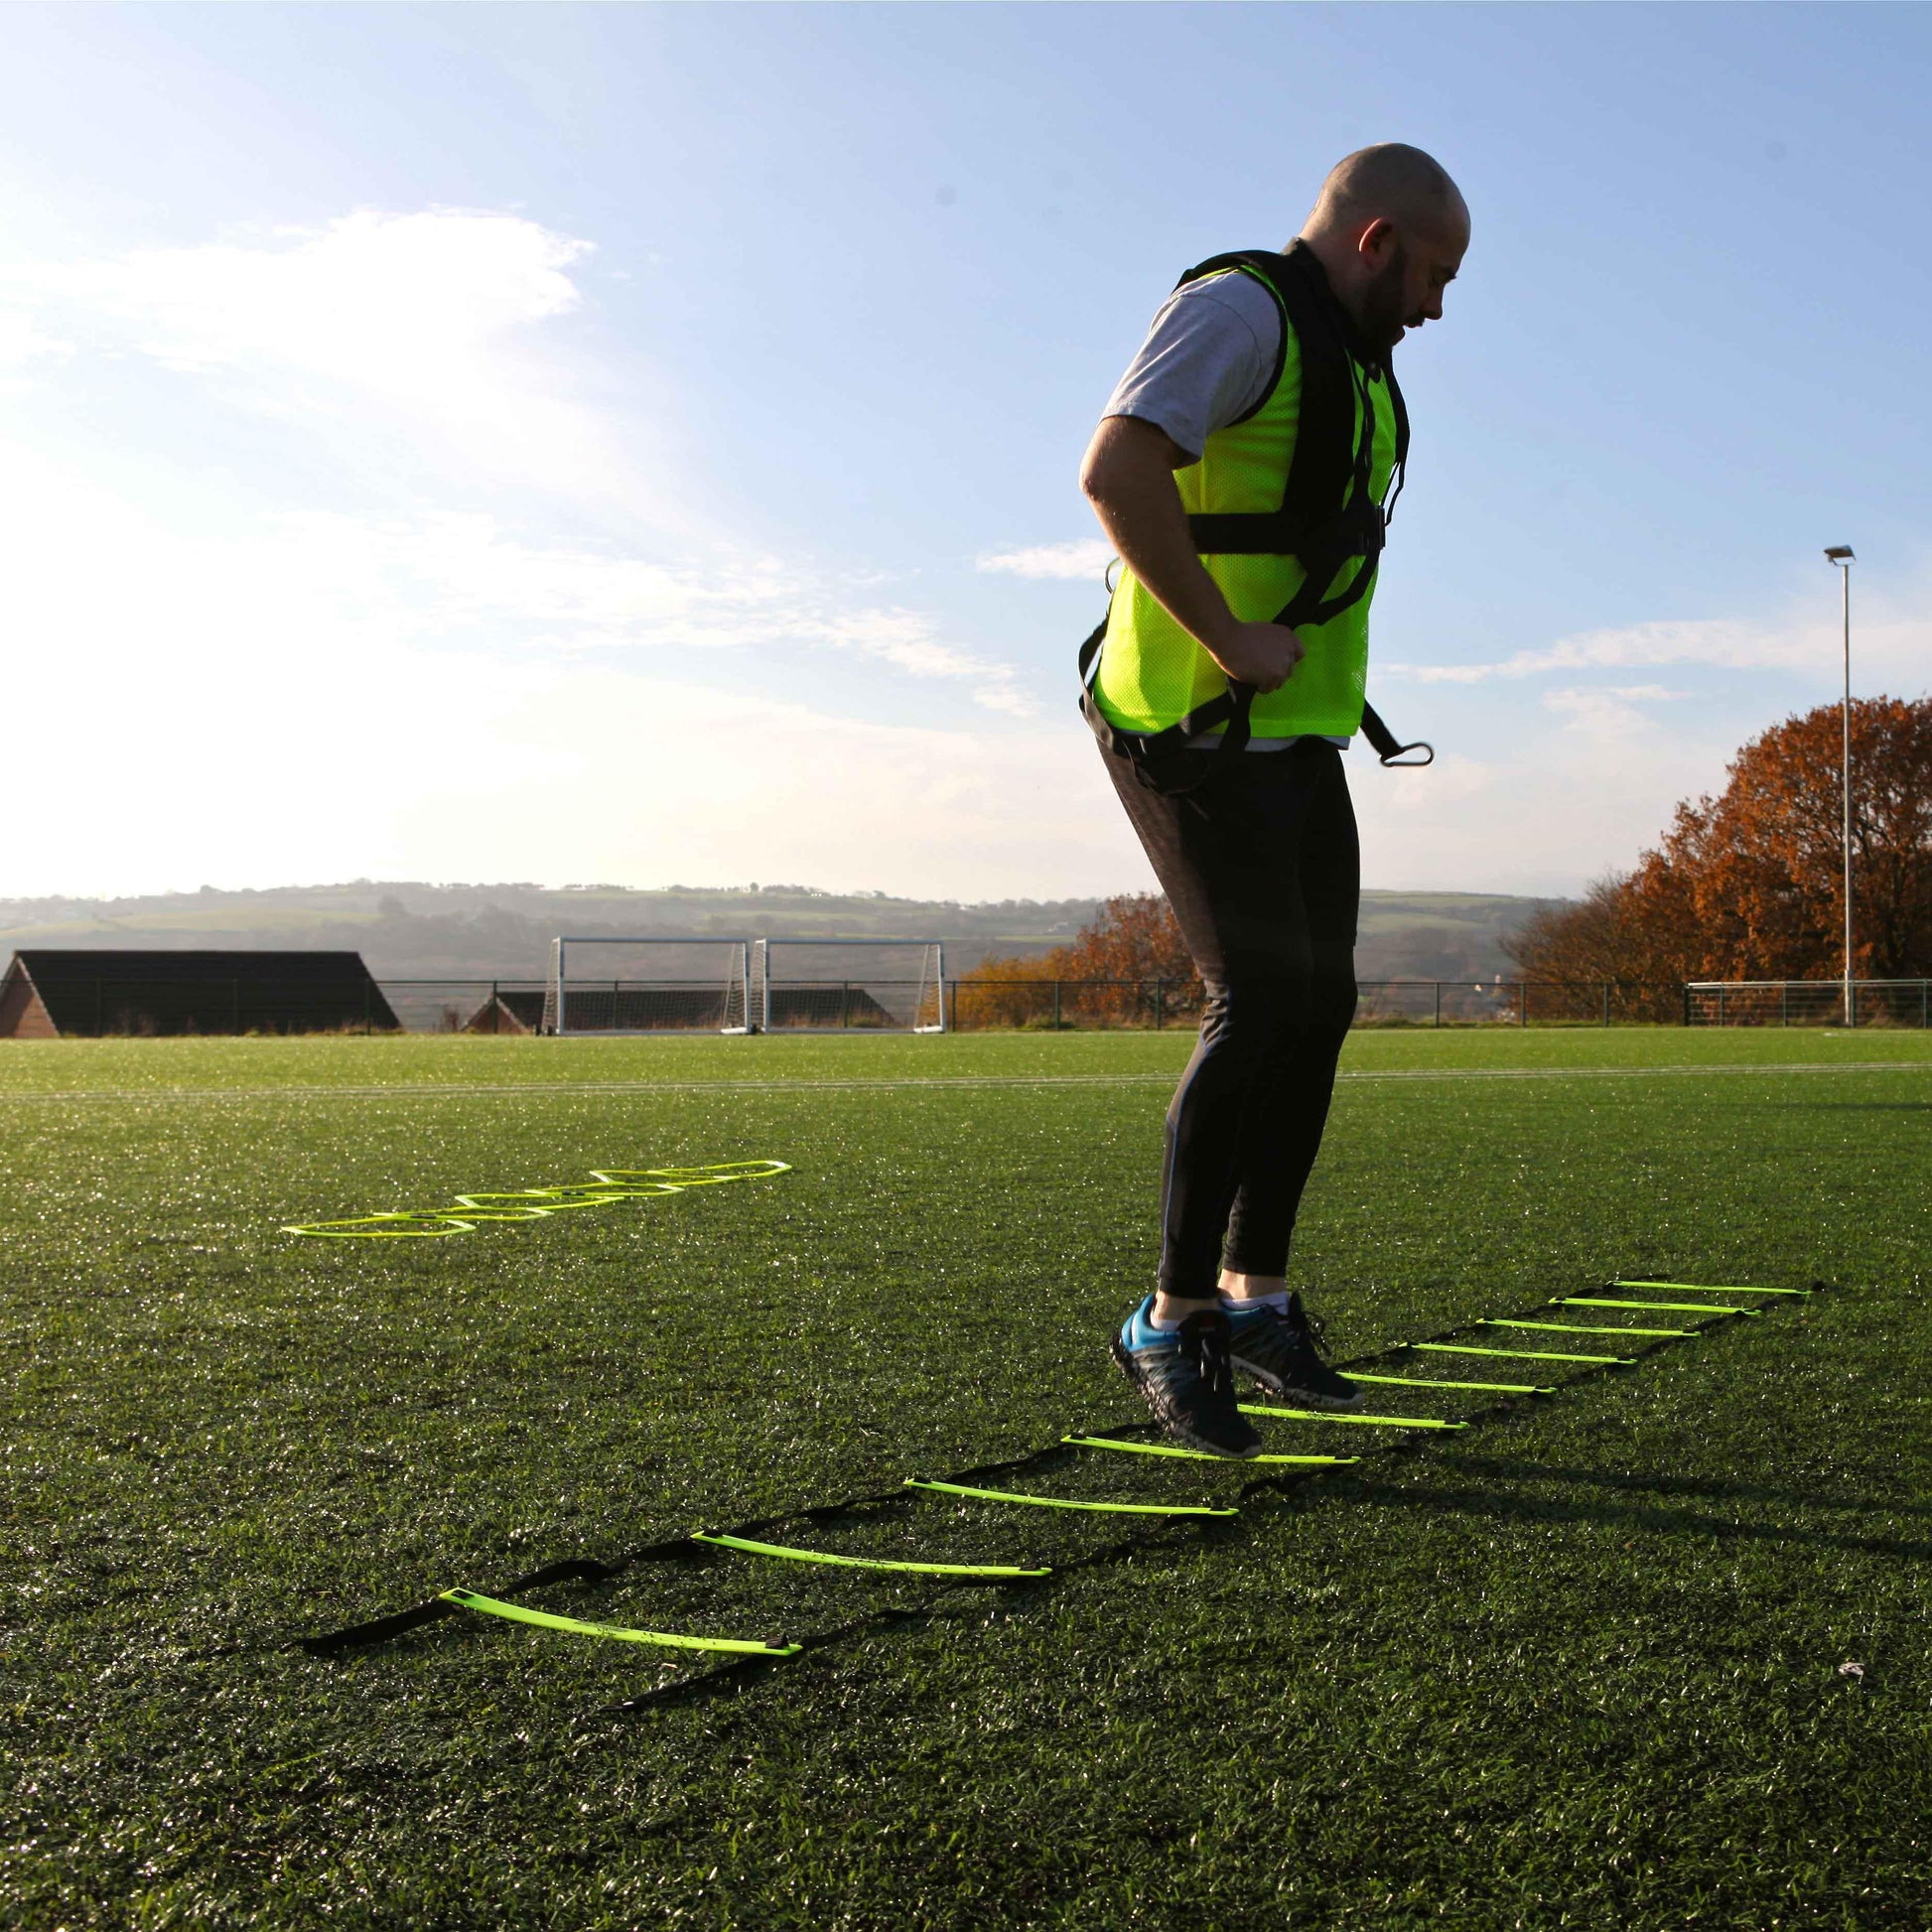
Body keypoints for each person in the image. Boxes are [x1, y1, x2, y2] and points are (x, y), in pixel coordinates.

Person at [1078, 144, 1469, 1457]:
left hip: (1292, 734)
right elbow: (1117, 469)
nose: (1433, 305)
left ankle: (1252, 1295)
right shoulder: (1237, 310)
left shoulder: (1354, 357)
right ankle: (1167, 1314)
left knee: (1319, 1004)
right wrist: (1226, 635)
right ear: (1374, 243)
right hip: (1186, 723)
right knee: (1253, 999)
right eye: (1430, 272)